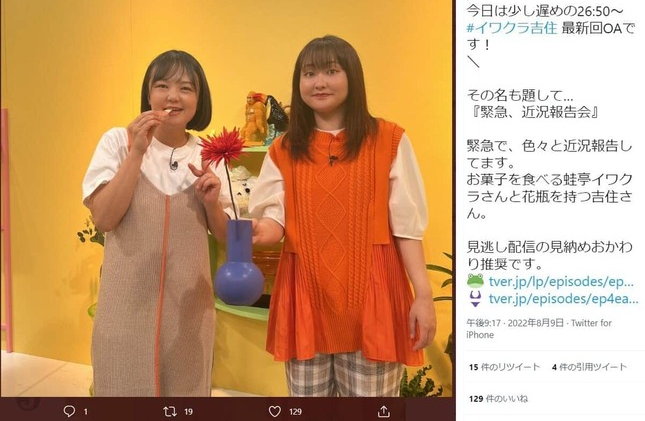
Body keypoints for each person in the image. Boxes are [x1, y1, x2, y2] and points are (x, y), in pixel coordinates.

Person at [249, 35, 436, 397]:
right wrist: (256, 229)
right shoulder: (283, 149)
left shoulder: (388, 139)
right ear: (298, 83)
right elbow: (274, 221)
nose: (319, 82)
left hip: (374, 302)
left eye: (331, 71)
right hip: (305, 300)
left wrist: (423, 295)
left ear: (352, 77)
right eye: (309, 73)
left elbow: (407, 226)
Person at [82, 50, 234, 396]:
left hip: (188, 316)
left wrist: (211, 202)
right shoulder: (117, 142)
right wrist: (137, 151)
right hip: (124, 307)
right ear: (148, 94)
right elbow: (104, 218)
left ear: (199, 99)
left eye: (186, 88)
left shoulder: (209, 154)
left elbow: (226, 236)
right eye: (162, 86)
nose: (173, 97)